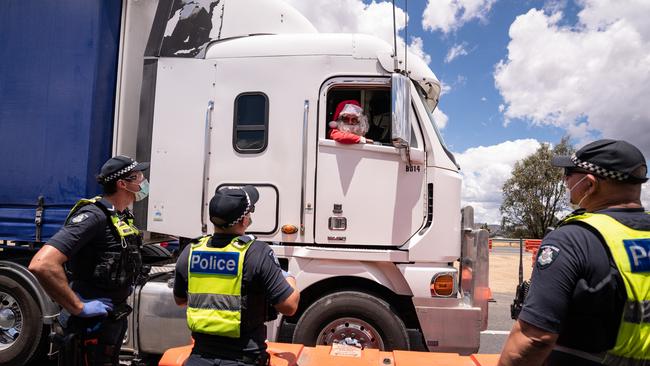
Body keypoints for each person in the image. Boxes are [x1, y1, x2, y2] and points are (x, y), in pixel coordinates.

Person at [499, 139, 650, 366]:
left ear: (590, 184)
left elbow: (534, 339)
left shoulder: (572, 239)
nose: (565, 180)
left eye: (569, 173)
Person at [29, 155, 150, 365]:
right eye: (138, 176)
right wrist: (79, 307)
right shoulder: (94, 216)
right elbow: (42, 264)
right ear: (123, 184)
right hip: (88, 327)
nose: (143, 181)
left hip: (110, 321)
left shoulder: (120, 217)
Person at [173, 185, 300, 366]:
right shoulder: (257, 253)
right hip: (243, 359)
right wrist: (290, 279)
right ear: (244, 220)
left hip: (199, 358)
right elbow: (289, 306)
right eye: (250, 211)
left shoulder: (191, 251)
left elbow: (181, 300)